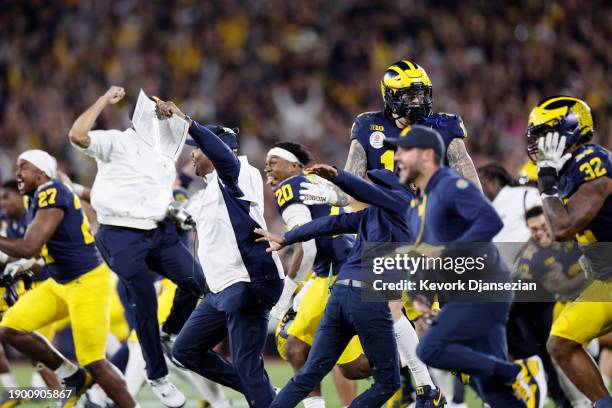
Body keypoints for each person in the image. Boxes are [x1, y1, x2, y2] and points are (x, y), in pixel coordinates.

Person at [387, 125, 547, 407]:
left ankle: (515, 370)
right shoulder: (417, 206)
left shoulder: (449, 184)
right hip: (466, 294)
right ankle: (509, 377)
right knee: (492, 391)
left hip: (484, 288)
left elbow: (490, 221)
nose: (396, 157)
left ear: (427, 156)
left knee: (430, 349)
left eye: (403, 150)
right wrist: (421, 297)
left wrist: (448, 252)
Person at [69, 86, 206, 407]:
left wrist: (174, 210)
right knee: (143, 297)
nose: (162, 122)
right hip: (119, 233)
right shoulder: (116, 140)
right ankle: (157, 376)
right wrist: (103, 100)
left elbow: (160, 195)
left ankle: (168, 334)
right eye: (158, 116)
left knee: (196, 281)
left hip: (157, 231)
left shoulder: (164, 157)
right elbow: (77, 135)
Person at [256, 159, 430, 406]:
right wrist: (338, 176)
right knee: (387, 383)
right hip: (369, 299)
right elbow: (362, 194)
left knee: (307, 376)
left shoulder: (371, 215)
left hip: (339, 295)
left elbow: (328, 224)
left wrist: (287, 237)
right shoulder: (408, 206)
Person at [153, 99, 284, 408]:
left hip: (249, 282)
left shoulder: (239, 174)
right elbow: (175, 207)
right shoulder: (208, 191)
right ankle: (265, 391)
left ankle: (262, 392)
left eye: (196, 148)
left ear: (214, 150)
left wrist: (187, 120)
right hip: (222, 289)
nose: (192, 154)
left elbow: (225, 158)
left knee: (247, 365)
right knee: (185, 350)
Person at [0, 150, 136, 408]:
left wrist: (17, 257)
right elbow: (36, 253)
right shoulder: (36, 198)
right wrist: (17, 267)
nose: (17, 173)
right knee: (11, 327)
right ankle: (70, 376)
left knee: (95, 362)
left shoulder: (52, 191)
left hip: (87, 283)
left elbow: (30, 246)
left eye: (23, 167)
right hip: (60, 283)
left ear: (41, 174)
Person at [526, 95, 612, 407]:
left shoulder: (593, 161)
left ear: (569, 130)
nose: (537, 142)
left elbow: (563, 228)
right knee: (561, 343)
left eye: (544, 133)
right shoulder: (570, 168)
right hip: (605, 280)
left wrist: (546, 183)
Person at [265, 141, 363, 407]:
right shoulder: (317, 181)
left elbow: (306, 248)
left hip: (333, 274)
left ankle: (409, 360)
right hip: (348, 266)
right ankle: (406, 362)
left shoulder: (289, 187)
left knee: (291, 341)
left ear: (294, 165)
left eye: (273, 162)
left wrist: (284, 298)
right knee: (353, 366)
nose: (267, 168)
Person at [511, 206, 586, 407]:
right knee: (550, 352)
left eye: (544, 226)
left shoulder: (571, 234)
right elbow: (563, 286)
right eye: (534, 230)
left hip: (552, 301)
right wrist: (589, 272)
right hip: (524, 309)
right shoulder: (534, 256)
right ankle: (570, 401)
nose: (540, 233)